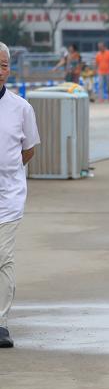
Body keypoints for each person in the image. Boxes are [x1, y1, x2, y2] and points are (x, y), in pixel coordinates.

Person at [0, 41, 41, 348]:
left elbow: (28, 149)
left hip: (8, 197)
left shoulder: (21, 107)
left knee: (2, 258)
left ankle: (0, 324)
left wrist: (9, 169)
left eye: (4, 65)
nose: (0, 71)